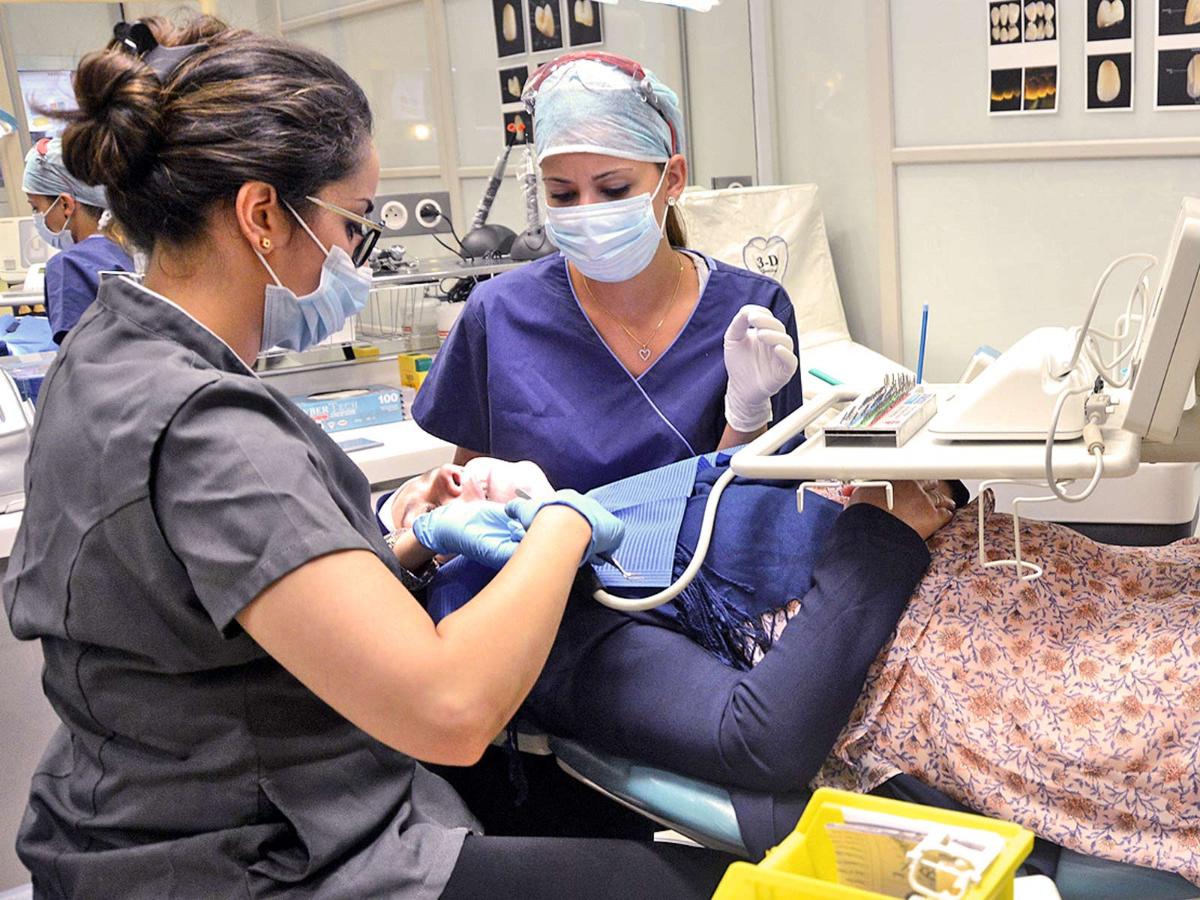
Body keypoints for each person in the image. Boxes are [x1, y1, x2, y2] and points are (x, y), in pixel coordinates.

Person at [0, 25, 773, 900]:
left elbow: (215, 597)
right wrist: (562, 523)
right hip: (263, 857)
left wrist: (397, 544)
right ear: (261, 215)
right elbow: (449, 712)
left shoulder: (101, 357)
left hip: (125, 822)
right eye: (350, 225)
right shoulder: (211, 430)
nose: (354, 257)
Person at [404, 456, 1200, 888]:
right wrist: (884, 532)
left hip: (1050, 576)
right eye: (415, 516)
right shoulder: (551, 625)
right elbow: (759, 738)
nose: (448, 478)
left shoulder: (617, 510)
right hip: (1009, 674)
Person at [413, 52, 804, 492]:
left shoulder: (751, 313)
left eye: (614, 189)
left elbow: (766, 511)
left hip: (700, 563)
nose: (588, 212)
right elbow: (467, 497)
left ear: (672, 179)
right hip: (546, 562)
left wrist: (746, 419)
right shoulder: (500, 314)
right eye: (562, 194)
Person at [22, 136, 133, 343]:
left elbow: (78, 363)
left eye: (36, 207)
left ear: (65, 204)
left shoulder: (69, 266)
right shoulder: (136, 247)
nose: (37, 217)